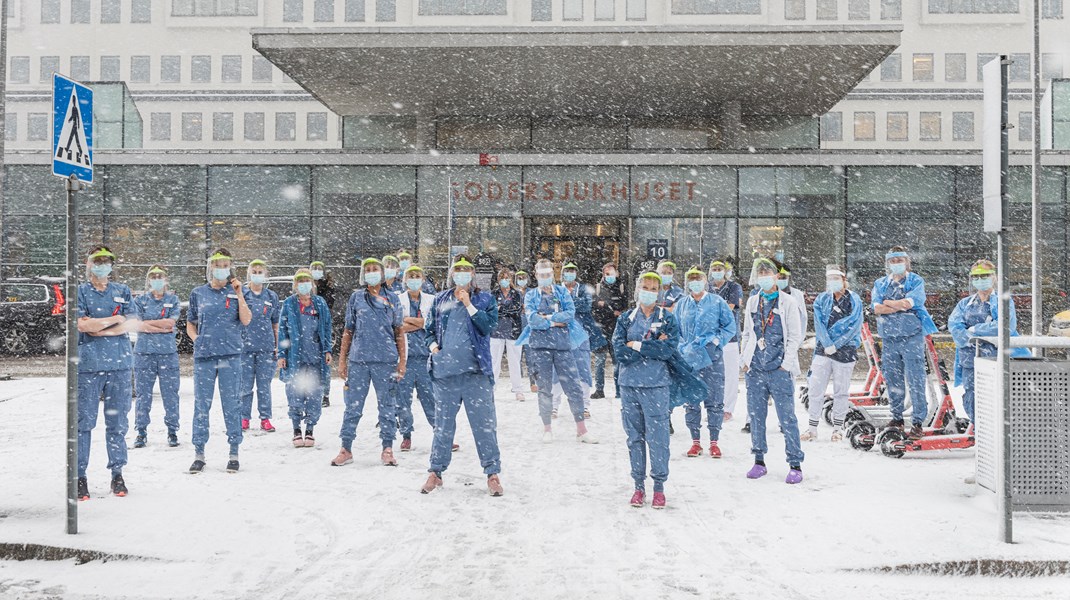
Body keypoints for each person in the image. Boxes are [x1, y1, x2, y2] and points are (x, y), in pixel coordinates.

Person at [419, 257, 504, 496]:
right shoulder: (440, 299)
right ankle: (436, 472)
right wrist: (434, 348)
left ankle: (492, 473)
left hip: (476, 374)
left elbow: (487, 326)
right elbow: (429, 331)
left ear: (474, 274)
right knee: (443, 427)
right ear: (452, 274)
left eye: (467, 271)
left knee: (484, 426)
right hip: (445, 375)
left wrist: (469, 304)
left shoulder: (485, 299)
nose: (462, 274)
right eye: (458, 270)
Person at [612, 272, 681, 509]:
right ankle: (638, 486)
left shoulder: (668, 319)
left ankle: (659, 487)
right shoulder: (626, 319)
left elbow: (668, 350)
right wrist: (652, 346)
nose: (649, 291)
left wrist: (637, 345)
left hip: (656, 385)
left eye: (654, 288)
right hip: (630, 385)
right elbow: (619, 351)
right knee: (634, 437)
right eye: (645, 287)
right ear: (637, 289)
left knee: (658, 438)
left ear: (659, 291)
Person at [76, 245, 139, 500]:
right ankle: (79, 476)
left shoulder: (122, 291)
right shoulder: (80, 291)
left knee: (117, 424)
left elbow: (133, 322)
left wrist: (100, 327)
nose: (102, 265)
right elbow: (83, 324)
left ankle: (117, 474)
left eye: (106, 261)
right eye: (97, 260)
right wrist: (116, 320)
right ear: (89, 263)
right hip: (90, 367)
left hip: (120, 366)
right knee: (83, 424)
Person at [333, 257, 406, 467]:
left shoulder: (392, 298)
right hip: (359, 360)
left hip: (386, 360)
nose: (372, 272)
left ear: (382, 274)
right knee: (353, 406)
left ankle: (387, 448)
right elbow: (348, 330)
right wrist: (342, 361)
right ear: (363, 274)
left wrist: (402, 361)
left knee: (387, 406)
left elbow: (399, 331)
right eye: (368, 270)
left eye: (375, 269)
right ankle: (346, 448)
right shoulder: (356, 298)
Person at [518, 259, 598, 444]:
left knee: (574, 387)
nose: (545, 278)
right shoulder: (531, 295)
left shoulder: (561, 292)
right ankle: (547, 428)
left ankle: (581, 430)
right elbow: (532, 320)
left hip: (563, 347)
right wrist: (555, 321)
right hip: (540, 348)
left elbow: (570, 314)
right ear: (536, 275)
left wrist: (546, 318)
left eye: (548, 275)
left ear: (552, 274)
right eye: (541, 275)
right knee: (545, 390)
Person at [187, 248, 252, 474]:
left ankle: (233, 452)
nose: (221, 269)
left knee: (232, 404)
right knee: (201, 405)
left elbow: (246, 320)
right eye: (218, 265)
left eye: (226, 265)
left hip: (230, 356)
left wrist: (240, 294)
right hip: (204, 357)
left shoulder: (236, 292)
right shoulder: (198, 293)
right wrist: (197, 340)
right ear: (210, 267)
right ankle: (199, 454)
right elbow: (190, 322)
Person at [740, 258, 805, 484]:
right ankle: (759, 461)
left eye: (768, 272)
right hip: (756, 368)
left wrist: (785, 365)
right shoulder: (752, 302)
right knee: (757, 416)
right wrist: (744, 361)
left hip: (779, 370)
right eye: (761, 273)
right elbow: (747, 333)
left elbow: (795, 336)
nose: (764, 276)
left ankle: (795, 464)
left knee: (787, 418)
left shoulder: (788, 302)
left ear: (777, 276)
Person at [948, 260, 1027, 424]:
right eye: (976, 276)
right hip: (971, 361)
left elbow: (1005, 327)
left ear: (993, 277)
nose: (980, 279)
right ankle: (980, 434)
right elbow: (955, 328)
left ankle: (999, 436)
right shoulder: (964, 304)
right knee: (972, 398)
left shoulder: (1003, 301)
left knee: (999, 398)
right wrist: (979, 333)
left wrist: (975, 329)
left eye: (984, 275)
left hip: (997, 359)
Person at [871, 246, 938, 437]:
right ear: (888, 263)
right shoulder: (881, 283)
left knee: (915, 379)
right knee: (893, 380)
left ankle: (918, 421)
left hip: (912, 337)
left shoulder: (916, 281)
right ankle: (897, 417)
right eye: (893, 261)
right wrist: (899, 305)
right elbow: (877, 308)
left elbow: (911, 303)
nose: (896, 264)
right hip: (889, 338)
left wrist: (890, 303)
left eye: (900, 260)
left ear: (907, 262)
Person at [676, 267, 736, 459]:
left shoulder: (717, 302)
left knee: (715, 400)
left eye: (698, 279)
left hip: (712, 358)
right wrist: (682, 347)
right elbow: (674, 330)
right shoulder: (682, 305)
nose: (695, 283)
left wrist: (717, 341)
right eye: (691, 279)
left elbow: (729, 326)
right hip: (689, 359)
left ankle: (714, 442)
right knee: (692, 401)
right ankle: (695, 442)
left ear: (705, 281)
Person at [802, 266, 863, 442]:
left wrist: (837, 344)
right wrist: (827, 344)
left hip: (845, 351)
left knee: (841, 391)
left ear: (844, 280)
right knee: (815, 389)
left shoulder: (854, 300)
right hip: (823, 350)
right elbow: (819, 324)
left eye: (837, 279)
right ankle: (812, 428)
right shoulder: (822, 299)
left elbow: (854, 325)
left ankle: (838, 428)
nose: (834, 282)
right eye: (831, 279)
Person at [277, 269, 333, 448]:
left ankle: (309, 429)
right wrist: (281, 354)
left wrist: (327, 350)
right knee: (295, 392)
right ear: (295, 284)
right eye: (300, 281)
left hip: (315, 356)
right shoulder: (289, 304)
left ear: (312, 283)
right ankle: (296, 429)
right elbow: (283, 331)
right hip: (295, 358)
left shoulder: (320, 304)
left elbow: (326, 327)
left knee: (314, 394)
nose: (303, 284)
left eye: (306, 280)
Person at [132, 265, 181, 449]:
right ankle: (141, 431)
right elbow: (137, 325)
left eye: (160, 276)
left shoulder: (173, 300)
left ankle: (172, 430)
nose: (157, 279)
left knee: (170, 394)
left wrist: (147, 324)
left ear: (166, 279)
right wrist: (158, 326)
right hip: (144, 353)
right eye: (154, 276)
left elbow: (171, 322)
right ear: (148, 280)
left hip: (167, 354)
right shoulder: (140, 300)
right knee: (144, 395)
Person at [396, 265, 442, 451]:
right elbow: (398, 327)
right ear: (405, 280)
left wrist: (410, 321)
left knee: (431, 398)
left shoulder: (432, 300)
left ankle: (440, 434)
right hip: (405, 358)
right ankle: (406, 435)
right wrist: (421, 323)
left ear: (423, 279)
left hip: (425, 358)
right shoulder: (397, 300)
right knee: (403, 400)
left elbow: (433, 324)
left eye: (417, 276)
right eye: (411, 276)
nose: (414, 279)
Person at [551, 262, 605, 418]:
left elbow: (586, 305)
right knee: (557, 371)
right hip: (559, 335)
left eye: (572, 271)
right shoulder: (556, 289)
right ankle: (554, 406)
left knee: (583, 370)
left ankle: (584, 406)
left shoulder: (583, 289)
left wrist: (565, 305)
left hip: (581, 336)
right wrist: (569, 306)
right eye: (567, 271)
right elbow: (553, 307)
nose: (569, 274)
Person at [240, 259, 280, 433]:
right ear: (249, 273)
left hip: (266, 347)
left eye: (260, 272)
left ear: (266, 274)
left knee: (264, 386)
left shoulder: (271, 297)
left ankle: (265, 418)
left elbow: (275, 324)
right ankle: (243, 418)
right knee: (245, 386)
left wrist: (278, 346)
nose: (257, 275)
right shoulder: (242, 294)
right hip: (244, 348)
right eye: (254, 271)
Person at [708, 259, 743, 422]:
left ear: (725, 271)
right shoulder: (707, 288)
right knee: (712, 375)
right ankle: (713, 408)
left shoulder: (733, 287)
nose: (716, 271)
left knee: (730, 375)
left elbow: (729, 307)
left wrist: (711, 309)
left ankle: (727, 409)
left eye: (719, 269)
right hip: (711, 337)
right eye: (713, 269)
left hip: (729, 338)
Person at [490, 267, 527, 402]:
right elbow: (492, 311)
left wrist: (501, 309)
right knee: (494, 361)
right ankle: (491, 389)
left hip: (513, 330)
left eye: (507, 278)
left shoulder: (516, 294)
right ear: (498, 280)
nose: (505, 280)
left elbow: (516, 310)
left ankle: (518, 389)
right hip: (496, 331)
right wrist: (502, 310)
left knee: (515, 362)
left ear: (511, 279)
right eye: (502, 278)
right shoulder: (493, 294)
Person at [592, 262, 627, 399]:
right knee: (600, 361)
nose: (609, 276)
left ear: (616, 273)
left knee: (617, 361)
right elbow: (593, 308)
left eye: (612, 273)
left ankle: (619, 391)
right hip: (601, 329)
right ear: (603, 275)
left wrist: (620, 312)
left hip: (617, 330)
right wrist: (600, 306)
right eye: (607, 274)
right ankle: (599, 390)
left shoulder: (622, 287)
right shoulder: (598, 288)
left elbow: (626, 306)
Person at [310, 260, 337, 408]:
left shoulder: (328, 288)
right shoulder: (306, 286)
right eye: (314, 269)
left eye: (319, 269)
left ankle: (325, 394)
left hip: (323, 327)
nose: (316, 271)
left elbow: (327, 305)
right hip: (307, 329)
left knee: (325, 362)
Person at [776, 263, 808, 341]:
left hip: (793, 340)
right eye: (779, 278)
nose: (781, 280)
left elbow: (803, 318)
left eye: (783, 278)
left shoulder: (797, 295)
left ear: (788, 278)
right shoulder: (770, 296)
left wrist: (798, 341)